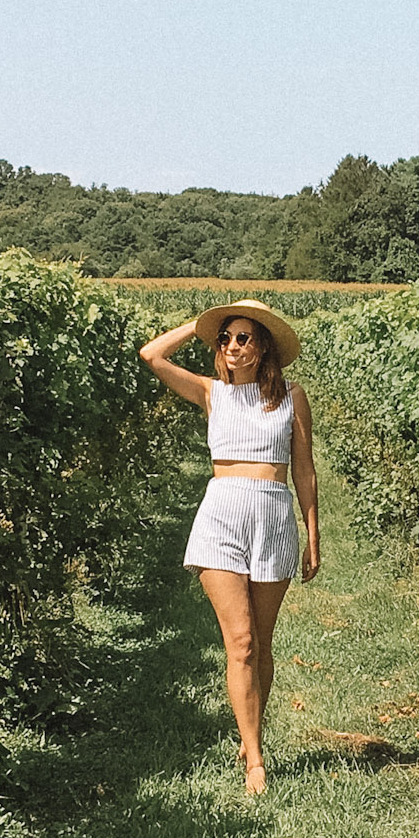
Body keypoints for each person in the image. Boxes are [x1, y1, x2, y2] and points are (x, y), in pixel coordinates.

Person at [139, 300, 319, 794]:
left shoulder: (291, 399)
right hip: (220, 516)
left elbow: (303, 468)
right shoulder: (211, 392)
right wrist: (200, 326)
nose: (232, 347)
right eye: (225, 339)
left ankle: (249, 732)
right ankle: (255, 760)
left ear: (263, 347)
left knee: (261, 646)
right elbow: (151, 355)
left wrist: (313, 531)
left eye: (242, 338)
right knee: (239, 643)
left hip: (272, 517)